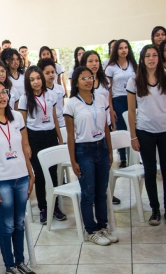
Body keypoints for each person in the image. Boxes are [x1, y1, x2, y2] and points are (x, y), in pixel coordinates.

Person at [0, 79, 35, 274]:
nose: (3, 96)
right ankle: (9, 266)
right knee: (7, 224)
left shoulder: (17, 117)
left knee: (19, 222)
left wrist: (30, 173)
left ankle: (20, 262)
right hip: (1, 179)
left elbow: (24, 147)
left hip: (21, 176)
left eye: (4, 92)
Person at [63, 66, 118, 246]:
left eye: (90, 77)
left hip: (101, 147)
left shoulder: (101, 98)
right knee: (88, 193)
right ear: (76, 82)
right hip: (83, 150)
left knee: (101, 191)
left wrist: (110, 151)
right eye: (83, 78)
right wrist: (73, 160)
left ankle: (103, 226)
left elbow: (106, 128)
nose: (88, 80)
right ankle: (91, 230)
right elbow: (70, 135)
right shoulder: (71, 104)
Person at [18, 66, 65, 225]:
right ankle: (43, 208)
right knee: (39, 174)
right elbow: (22, 124)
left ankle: (56, 206)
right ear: (27, 81)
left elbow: (54, 117)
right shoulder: (24, 98)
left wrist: (59, 137)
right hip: (34, 137)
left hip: (50, 135)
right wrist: (26, 144)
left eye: (38, 78)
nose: (36, 82)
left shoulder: (50, 94)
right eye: (32, 79)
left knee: (53, 173)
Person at [126, 44, 166, 226]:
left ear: (159, 58)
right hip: (144, 131)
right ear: (142, 59)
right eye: (148, 55)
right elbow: (131, 111)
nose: (151, 58)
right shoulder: (134, 81)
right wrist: (133, 136)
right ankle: (155, 210)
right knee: (150, 171)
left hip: (164, 130)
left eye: (154, 55)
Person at [80, 51, 121, 205]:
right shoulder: (82, 82)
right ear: (84, 63)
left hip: (105, 124)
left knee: (106, 161)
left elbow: (108, 101)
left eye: (96, 60)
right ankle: (95, 194)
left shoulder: (104, 81)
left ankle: (107, 191)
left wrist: (113, 119)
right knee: (92, 164)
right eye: (90, 61)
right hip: (91, 129)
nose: (94, 64)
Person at [105, 39, 137, 168]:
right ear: (116, 50)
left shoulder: (134, 65)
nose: (123, 50)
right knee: (122, 128)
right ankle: (123, 157)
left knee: (134, 127)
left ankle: (136, 156)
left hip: (133, 99)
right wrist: (111, 108)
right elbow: (109, 90)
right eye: (120, 48)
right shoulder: (111, 67)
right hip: (118, 99)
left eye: (126, 47)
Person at [37, 58, 66, 128]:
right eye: (47, 73)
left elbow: (62, 106)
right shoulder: (40, 91)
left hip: (62, 123)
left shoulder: (60, 88)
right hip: (49, 124)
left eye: (53, 72)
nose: (51, 75)